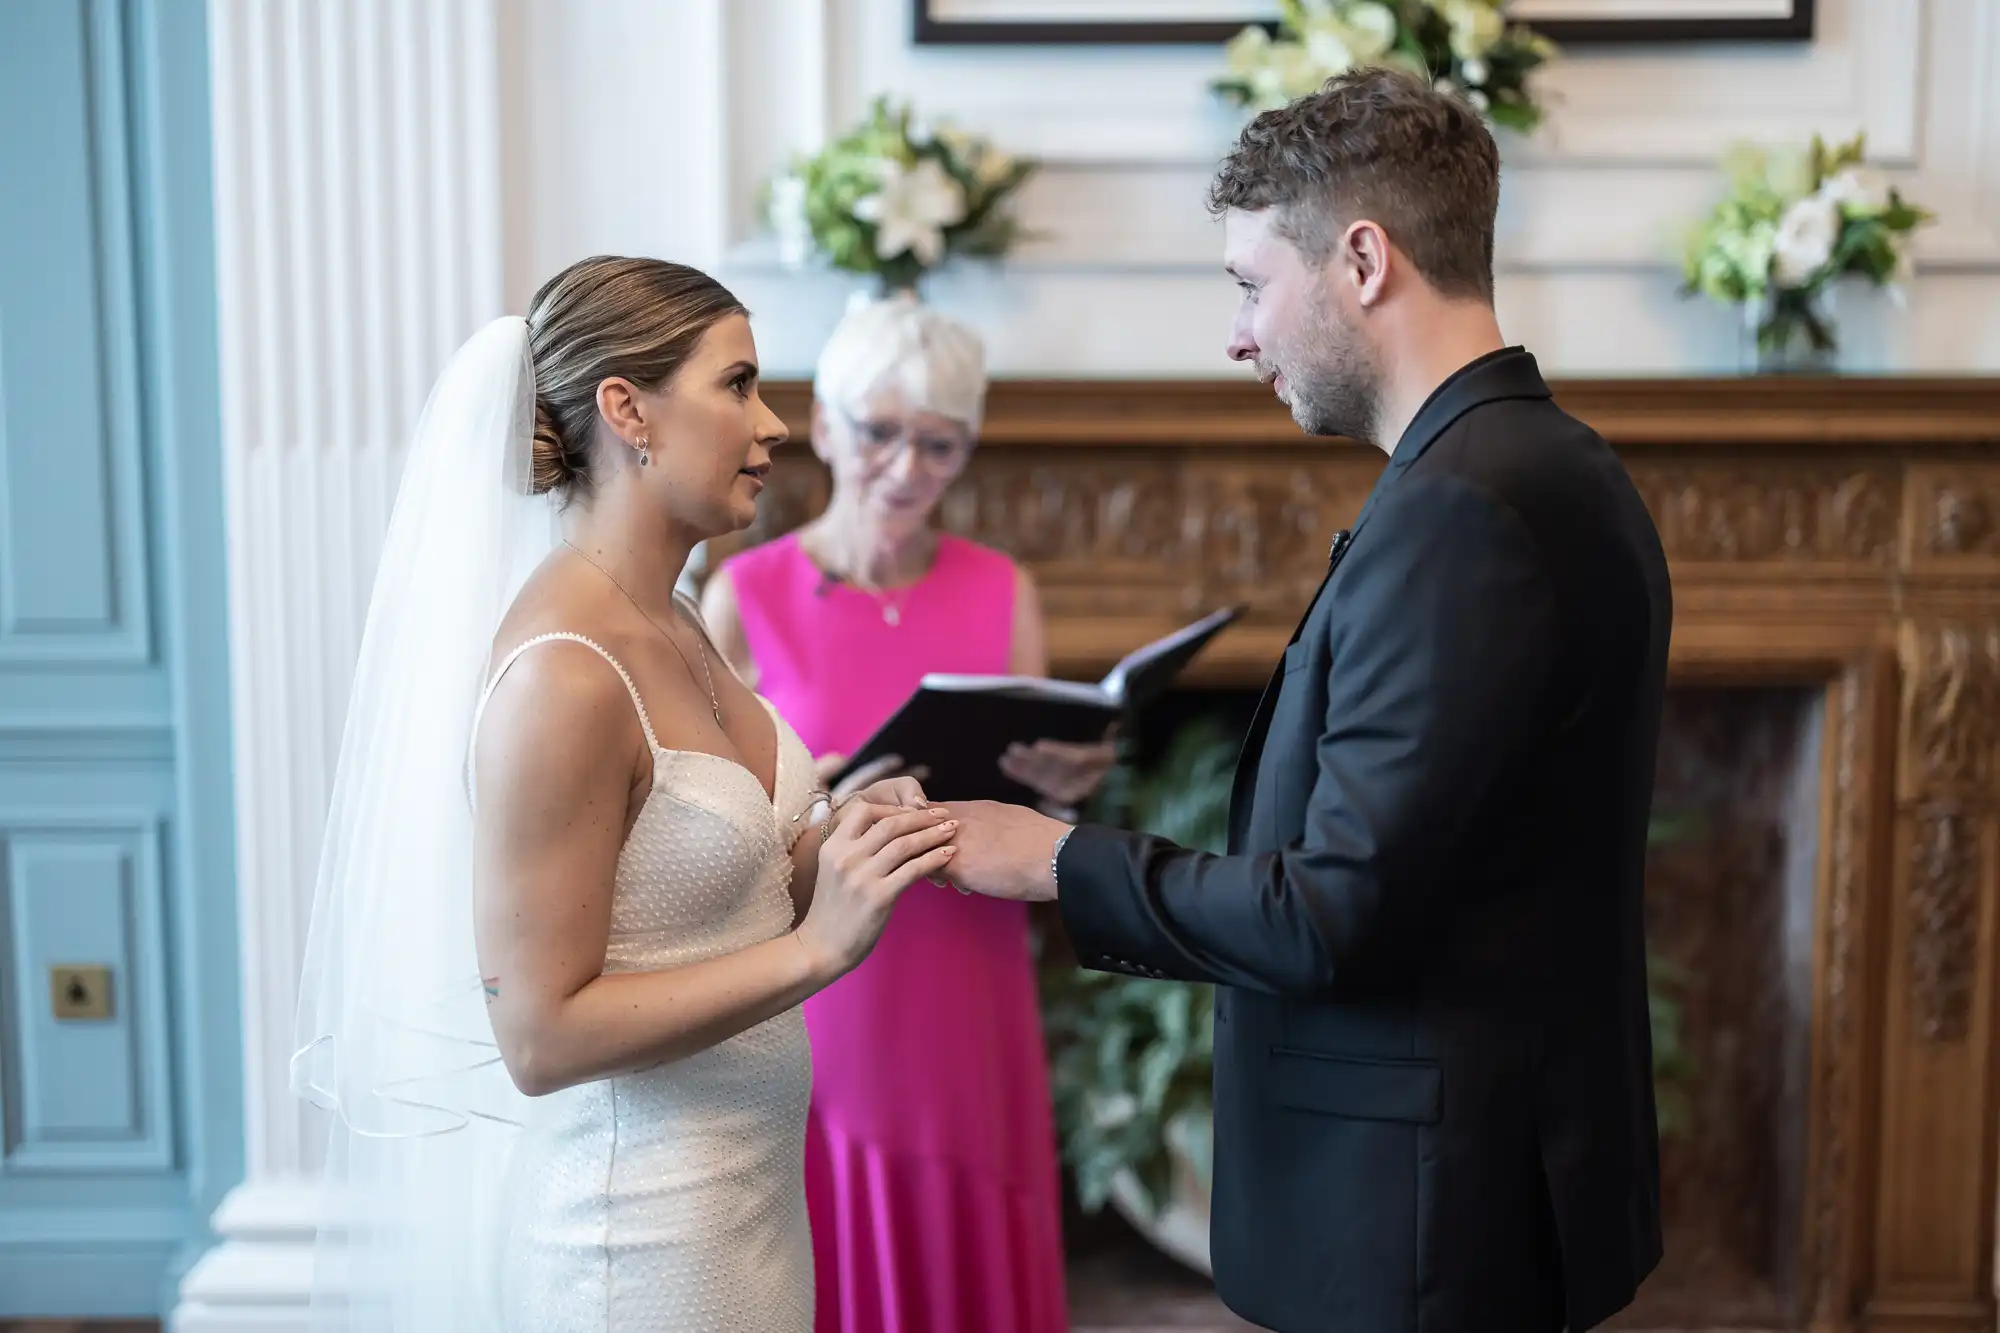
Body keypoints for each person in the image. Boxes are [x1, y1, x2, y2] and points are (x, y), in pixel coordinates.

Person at [940, 68, 1672, 1333]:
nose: (1236, 335)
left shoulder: (1458, 510)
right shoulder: (1553, 464)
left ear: (1362, 260)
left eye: (1247, 284)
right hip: (1479, 1183)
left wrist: (1059, 861)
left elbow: (1334, 911)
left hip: (1426, 1223)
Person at [289, 256, 958, 1333]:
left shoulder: (677, 616)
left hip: (747, 1218)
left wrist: (843, 843)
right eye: (738, 385)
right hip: (632, 1251)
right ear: (627, 409)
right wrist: (815, 951)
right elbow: (541, 1037)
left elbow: (711, 892)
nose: (775, 424)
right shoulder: (563, 671)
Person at [699, 295, 1111, 1333]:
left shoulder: (1000, 587)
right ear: (826, 426)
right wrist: (825, 796)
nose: (907, 467)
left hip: (971, 966)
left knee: (975, 1195)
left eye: (940, 443)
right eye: (881, 432)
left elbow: (1022, 793)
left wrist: (1066, 779)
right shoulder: (742, 593)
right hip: (833, 971)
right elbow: (712, 822)